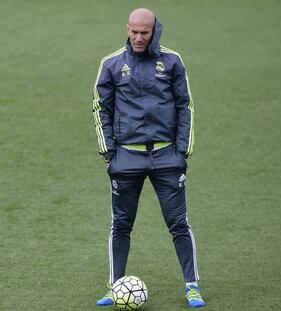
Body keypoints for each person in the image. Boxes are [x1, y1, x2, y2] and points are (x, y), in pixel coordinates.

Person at [92, 8, 205, 308]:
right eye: (134, 31)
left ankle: (192, 285)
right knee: (121, 226)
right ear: (127, 29)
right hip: (126, 159)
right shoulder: (112, 64)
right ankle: (115, 286)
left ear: (155, 31)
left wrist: (182, 151)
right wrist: (109, 153)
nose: (139, 37)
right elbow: (101, 108)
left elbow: (186, 106)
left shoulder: (172, 61)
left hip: (167, 157)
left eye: (145, 32)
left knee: (179, 223)